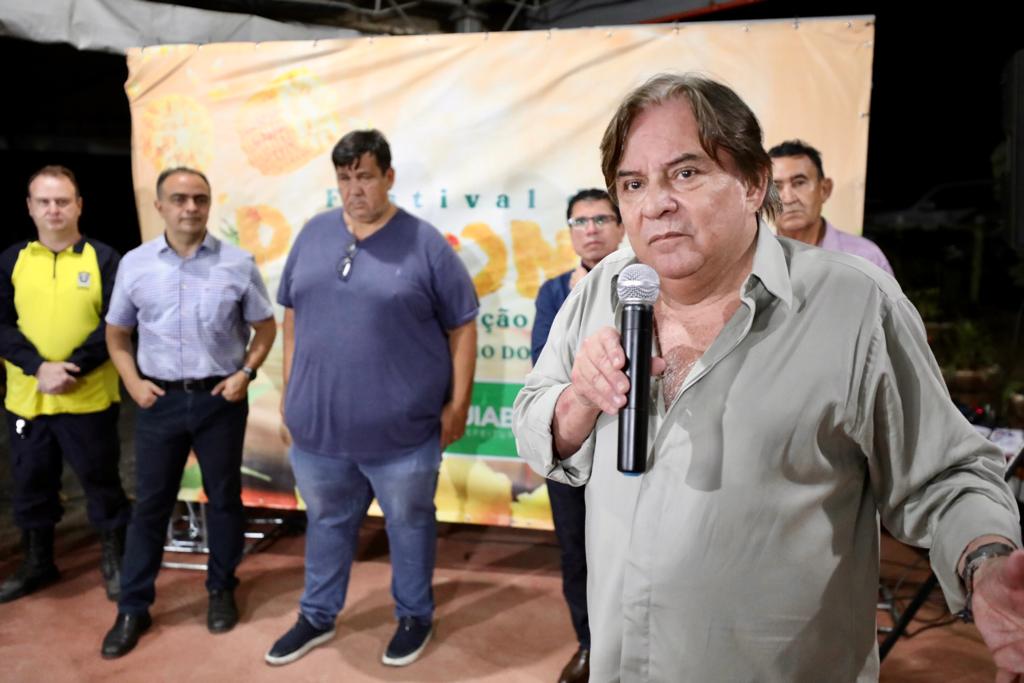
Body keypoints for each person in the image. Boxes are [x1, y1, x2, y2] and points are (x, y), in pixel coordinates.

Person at [513, 73, 1024, 681]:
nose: (655, 204)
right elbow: (534, 421)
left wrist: (986, 562)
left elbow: (945, 475)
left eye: (685, 173)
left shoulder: (854, 304)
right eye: (633, 183)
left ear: (754, 183)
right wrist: (579, 401)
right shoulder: (605, 290)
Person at [265, 129, 479, 668]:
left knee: (409, 525)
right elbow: (292, 318)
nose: (354, 189)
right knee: (326, 523)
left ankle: (414, 615)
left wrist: (458, 405)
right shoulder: (313, 234)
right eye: (344, 178)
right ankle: (317, 615)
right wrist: (289, 394)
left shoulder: (424, 244)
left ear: (389, 177)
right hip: (318, 432)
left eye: (365, 176)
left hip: (403, 434)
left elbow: (463, 325)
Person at [100, 167, 276, 659]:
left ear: (209, 204)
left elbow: (265, 328)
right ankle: (133, 607)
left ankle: (221, 588)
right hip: (159, 402)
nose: (190, 208)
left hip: (220, 400)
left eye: (199, 198)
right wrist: (133, 383)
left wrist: (246, 373)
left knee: (224, 500)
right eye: (179, 199)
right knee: (151, 506)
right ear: (160, 206)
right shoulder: (135, 265)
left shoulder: (237, 263)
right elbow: (117, 335)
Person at [0, 165, 130, 603]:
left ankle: (116, 560)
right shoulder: (11, 260)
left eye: (62, 201)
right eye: (44, 201)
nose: (53, 209)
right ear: (30, 207)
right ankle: (37, 563)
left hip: (88, 398)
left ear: (79, 206)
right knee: (30, 484)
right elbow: (2, 326)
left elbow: (116, 324)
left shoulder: (105, 259)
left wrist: (70, 368)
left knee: (102, 482)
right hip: (28, 402)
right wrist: (38, 367)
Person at [531, 188, 624, 683]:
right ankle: (589, 644)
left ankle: (629, 649)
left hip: (627, 441)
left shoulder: (645, 282)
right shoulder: (553, 292)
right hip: (571, 443)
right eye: (580, 222)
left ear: (621, 225)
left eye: (601, 219)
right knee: (576, 550)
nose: (590, 230)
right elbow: (544, 369)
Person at [769, 139, 894, 275]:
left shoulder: (866, 258)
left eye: (799, 183)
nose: (788, 199)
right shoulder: (756, 259)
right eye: (776, 187)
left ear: (825, 189)